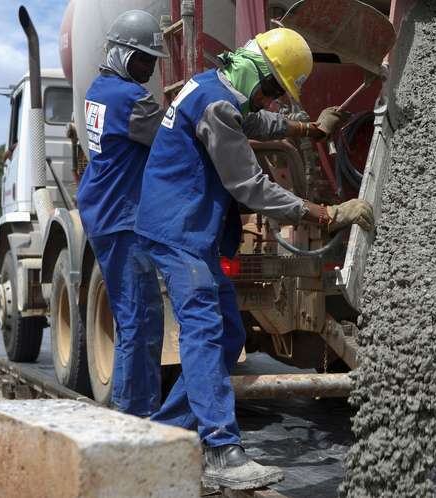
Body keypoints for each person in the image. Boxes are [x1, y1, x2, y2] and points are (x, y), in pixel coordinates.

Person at [134, 28, 374, 490]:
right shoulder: (217, 105)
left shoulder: (213, 87)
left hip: (191, 230)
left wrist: (306, 127)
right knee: (205, 332)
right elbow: (250, 186)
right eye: (270, 90)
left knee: (228, 336)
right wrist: (324, 212)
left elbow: (253, 122)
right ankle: (222, 450)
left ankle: (162, 437)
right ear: (257, 72)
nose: (268, 101)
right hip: (180, 231)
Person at [76, 10, 167, 417]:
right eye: (143, 60)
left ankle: (137, 410)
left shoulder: (98, 88)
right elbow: (173, 138)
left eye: (151, 62)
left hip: (104, 211)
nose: (148, 70)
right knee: (139, 321)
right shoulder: (130, 99)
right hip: (122, 218)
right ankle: (134, 416)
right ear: (120, 54)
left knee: (136, 319)